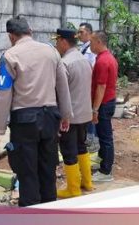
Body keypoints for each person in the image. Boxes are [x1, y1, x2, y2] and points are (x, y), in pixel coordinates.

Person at [0, 17, 73, 207]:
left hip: (25, 121)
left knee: (27, 171)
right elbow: (62, 86)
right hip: (51, 118)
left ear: (11, 36)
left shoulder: (10, 56)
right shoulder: (51, 52)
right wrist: (66, 115)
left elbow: (3, 94)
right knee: (48, 167)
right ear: (31, 31)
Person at [53, 28, 93, 198]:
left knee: (68, 151)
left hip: (71, 115)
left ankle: (73, 189)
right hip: (85, 113)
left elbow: (62, 92)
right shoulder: (84, 59)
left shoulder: (65, 63)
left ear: (63, 41)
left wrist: (63, 116)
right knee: (81, 147)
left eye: (57, 41)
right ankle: (87, 183)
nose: (56, 44)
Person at [89, 31, 119, 182]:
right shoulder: (108, 58)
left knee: (105, 137)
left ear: (99, 42)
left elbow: (101, 87)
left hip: (104, 103)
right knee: (103, 136)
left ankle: (106, 171)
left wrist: (95, 109)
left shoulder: (102, 61)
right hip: (108, 101)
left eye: (92, 41)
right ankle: (103, 162)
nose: (90, 44)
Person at [77, 23, 99, 153]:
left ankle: (92, 138)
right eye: (78, 32)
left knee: (91, 112)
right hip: (84, 86)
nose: (79, 35)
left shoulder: (91, 50)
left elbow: (92, 68)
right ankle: (89, 137)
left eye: (82, 32)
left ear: (89, 33)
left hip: (89, 85)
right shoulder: (84, 48)